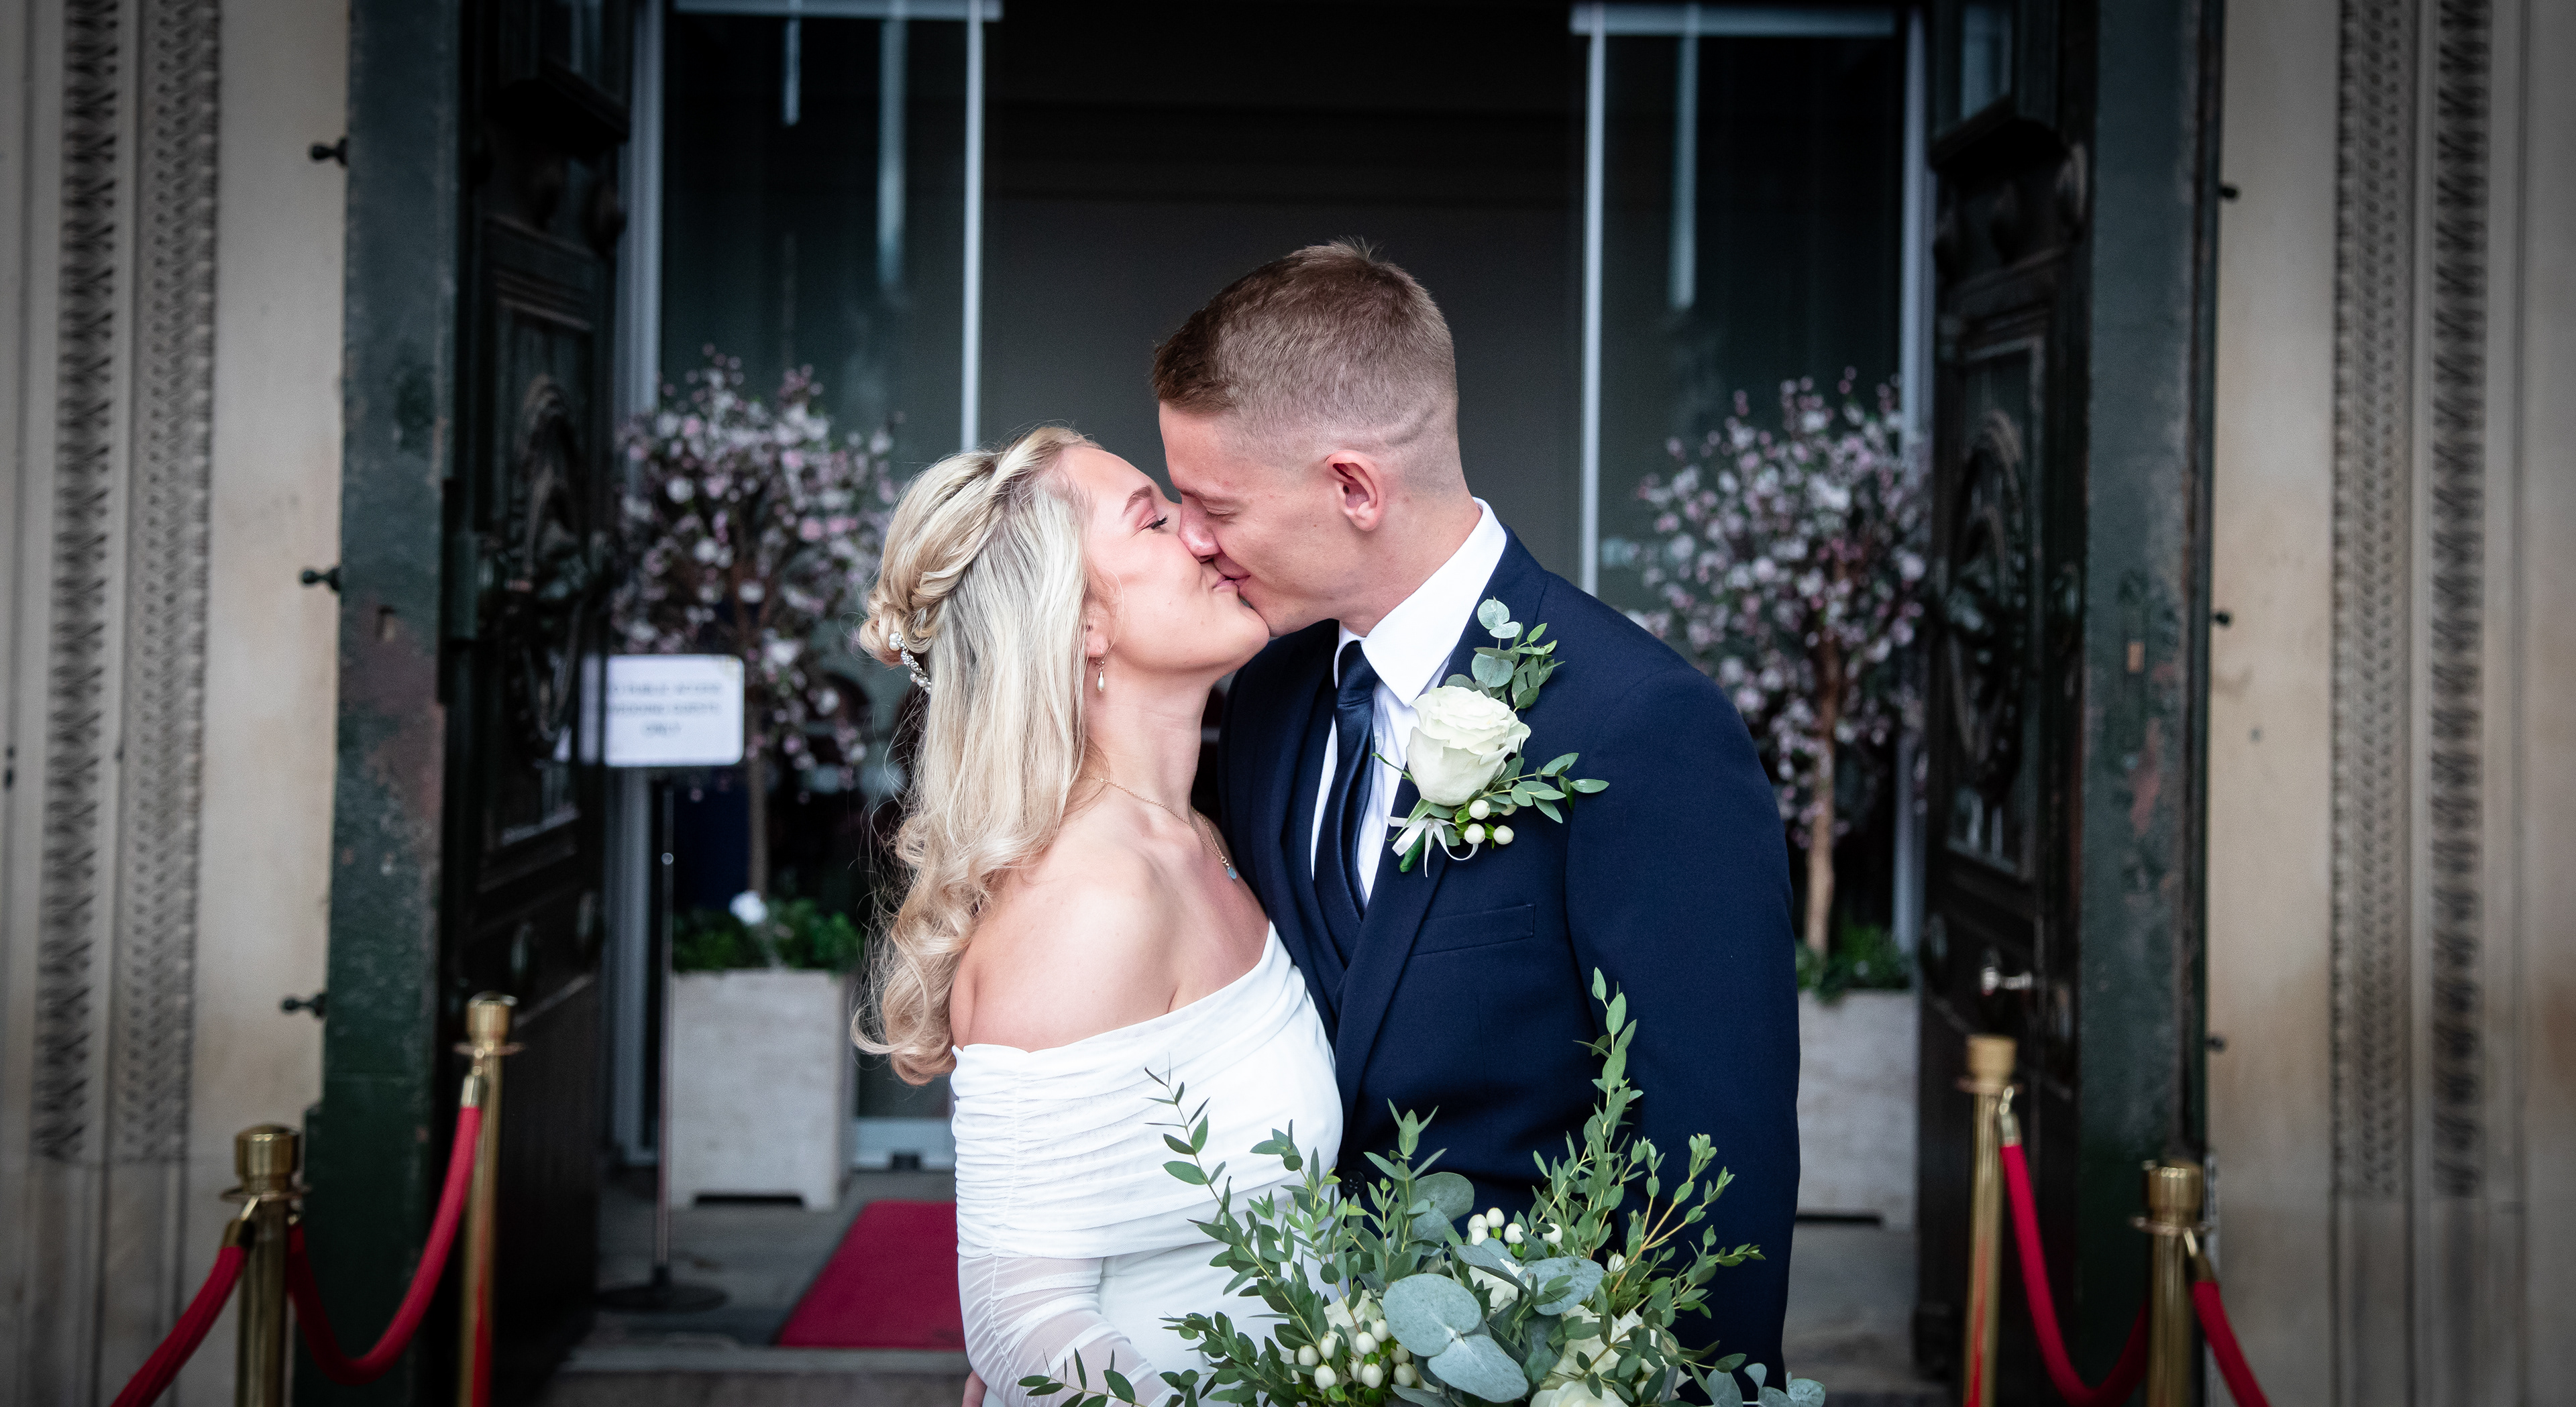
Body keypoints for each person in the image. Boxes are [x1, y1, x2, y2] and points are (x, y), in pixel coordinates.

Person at [1160, 243, 1802, 1381]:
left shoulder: (1642, 726)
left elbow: (1716, 1170)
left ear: (1355, 488)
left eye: (1216, 506)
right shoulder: (1265, 695)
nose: (1192, 539)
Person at [856, 427, 1340, 1407]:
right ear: (1079, 621)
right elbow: (1020, 1322)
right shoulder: (1089, 901)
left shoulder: (1200, 836)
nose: (1201, 533)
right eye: (1153, 521)